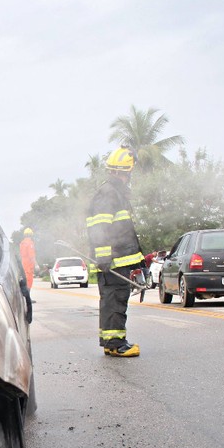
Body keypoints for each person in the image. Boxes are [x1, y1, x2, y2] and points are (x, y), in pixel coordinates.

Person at [86, 147, 143, 357]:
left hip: (116, 259)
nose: (129, 177)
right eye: (128, 173)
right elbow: (100, 226)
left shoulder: (113, 192)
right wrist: (103, 256)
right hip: (113, 260)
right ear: (123, 172)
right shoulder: (109, 193)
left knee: (113, 301)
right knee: (115, 301)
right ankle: (117, 344)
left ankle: (112, 342)